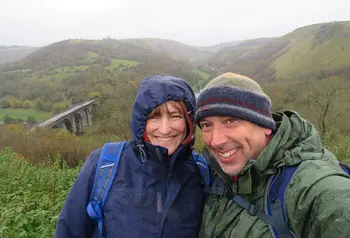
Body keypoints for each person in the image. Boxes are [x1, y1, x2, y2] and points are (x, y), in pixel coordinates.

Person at [195, 72, 350, 238]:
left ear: (265, 125)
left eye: (231, 121)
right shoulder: (212, 173)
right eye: (206, 125)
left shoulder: (312, 186)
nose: (216, 141)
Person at [54, 75, 204, 238]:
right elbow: (68, 230)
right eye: (154, 117)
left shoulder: (202, 172)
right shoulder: (105, 163)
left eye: (175, 116)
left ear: (189, 121)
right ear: (141, 123)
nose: (165, 129)